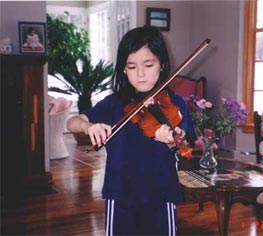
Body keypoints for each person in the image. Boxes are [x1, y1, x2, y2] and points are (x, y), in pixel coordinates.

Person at [67, 26, 197, 235]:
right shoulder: (113, 103)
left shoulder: (175, 103)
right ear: (124, 70)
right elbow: (72, 122)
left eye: (148, 64)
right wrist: (87, 125)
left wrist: (173, 141)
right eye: (132, 67)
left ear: (161, 65)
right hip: (120, 193)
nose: (141, 74)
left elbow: (185, 144)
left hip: (161, 192)